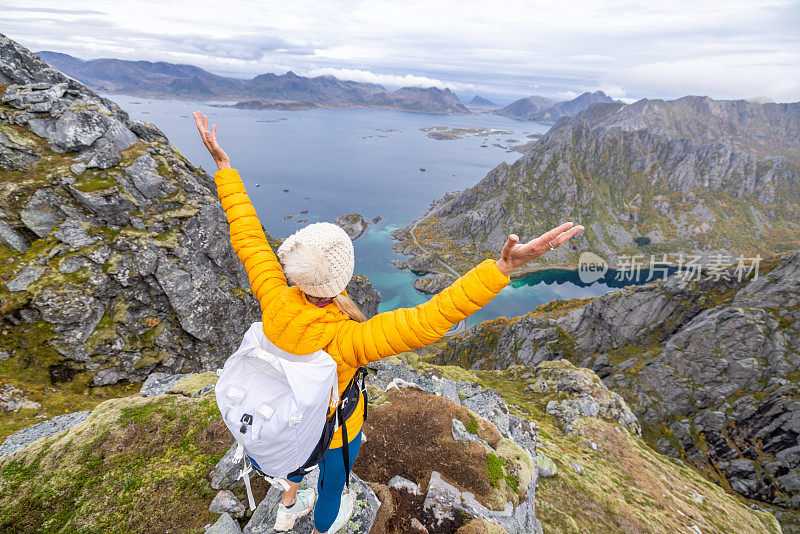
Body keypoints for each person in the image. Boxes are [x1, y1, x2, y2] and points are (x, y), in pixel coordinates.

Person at [192, 111, 583, 533]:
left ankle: (290, 492)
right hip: (331, 432)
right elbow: (429, 320)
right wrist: (500, 269)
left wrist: (225, 169)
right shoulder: (348, 339)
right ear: (341, 279)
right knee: (334, 483)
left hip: (274, 418)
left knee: (295, 465)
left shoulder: (273, 295)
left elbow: (248, 237)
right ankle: (325, 523)